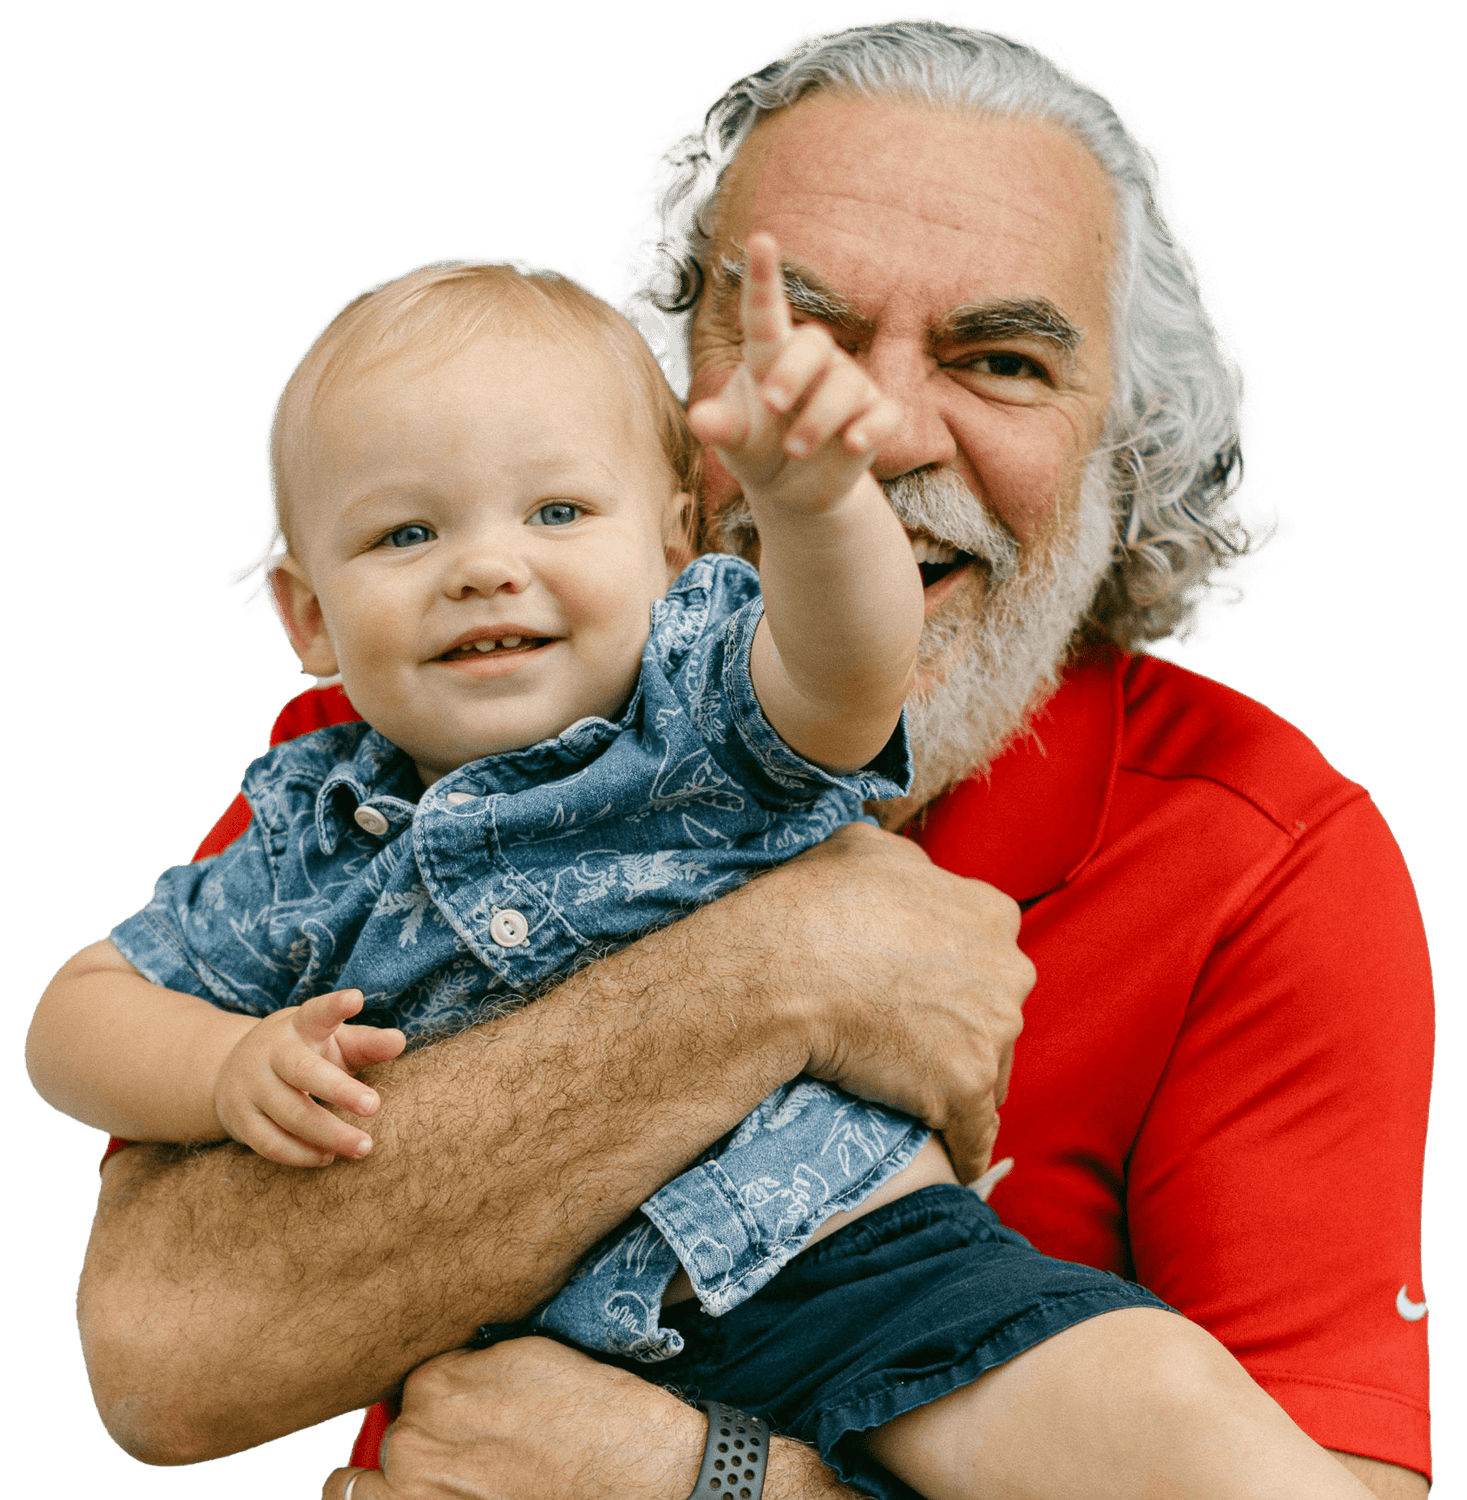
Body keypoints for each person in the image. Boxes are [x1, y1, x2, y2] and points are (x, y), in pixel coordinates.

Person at [55, 14, 1430, 1500]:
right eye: (801, 340)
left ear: (1128, 444)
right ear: (659, 400)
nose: (882, 432)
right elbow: (162, 1361)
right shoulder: (400, 748)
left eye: (1003, 358)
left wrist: (709, 1484)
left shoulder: (1268, 851)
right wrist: (786, 969)